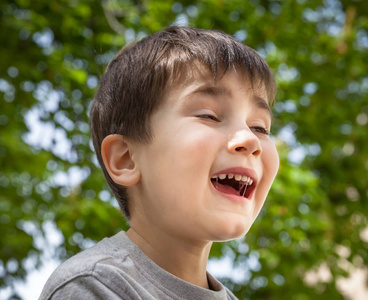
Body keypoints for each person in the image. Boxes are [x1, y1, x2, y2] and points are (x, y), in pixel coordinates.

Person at [39, 26, 279, 300]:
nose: (250, 140)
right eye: (209, 115)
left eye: (260, 127)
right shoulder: (96, 285)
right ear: (126, 159)